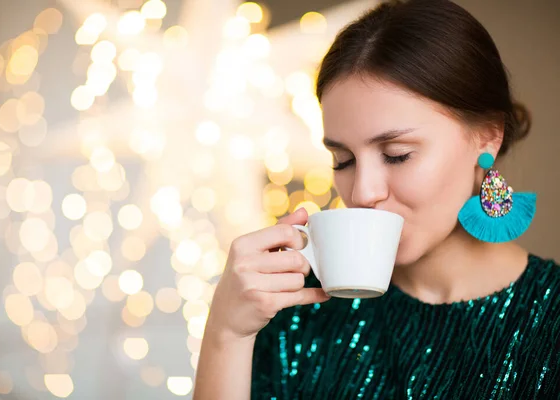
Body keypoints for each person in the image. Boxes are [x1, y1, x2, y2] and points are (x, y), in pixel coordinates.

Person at [193, 0, 560, 398]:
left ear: (487, 137)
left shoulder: (550, 319)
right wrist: (227, 333)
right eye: (343, 160)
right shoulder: (292, 311)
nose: (363, 193)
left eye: (397, 154)